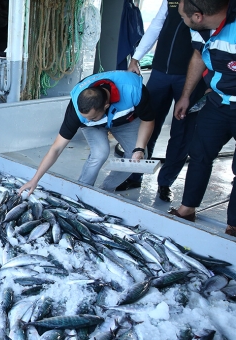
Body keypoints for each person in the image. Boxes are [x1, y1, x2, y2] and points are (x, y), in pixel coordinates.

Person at [117, 0, 206, 203]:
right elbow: (157, 24)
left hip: (190, 76)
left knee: (182, 131)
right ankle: (135, 175)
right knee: (147, 122)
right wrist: (136, 57)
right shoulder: (171, 1)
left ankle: (165, 182)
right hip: (160, 73)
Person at [18, 70, 155, 197]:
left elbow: (148, 120)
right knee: (100, 153)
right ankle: (81, 191)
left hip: (124, 120)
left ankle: (105, 191)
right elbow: (56, 148)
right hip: (96, 126)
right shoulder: (78, 113)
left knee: (136, 156)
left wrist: (139, 148)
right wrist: (35, 180)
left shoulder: (134, 90)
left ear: (106, 106)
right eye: (85, 117)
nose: (87, 120)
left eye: (92, 117)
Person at [168, 0, 236, 236]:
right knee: (199, 153)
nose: (181, 19)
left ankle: (234, 225)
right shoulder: (199, 28)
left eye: (183, 16)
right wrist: (186, 95)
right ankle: (187, 209)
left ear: (198, 16)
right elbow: (199, 56)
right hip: (217, 101)